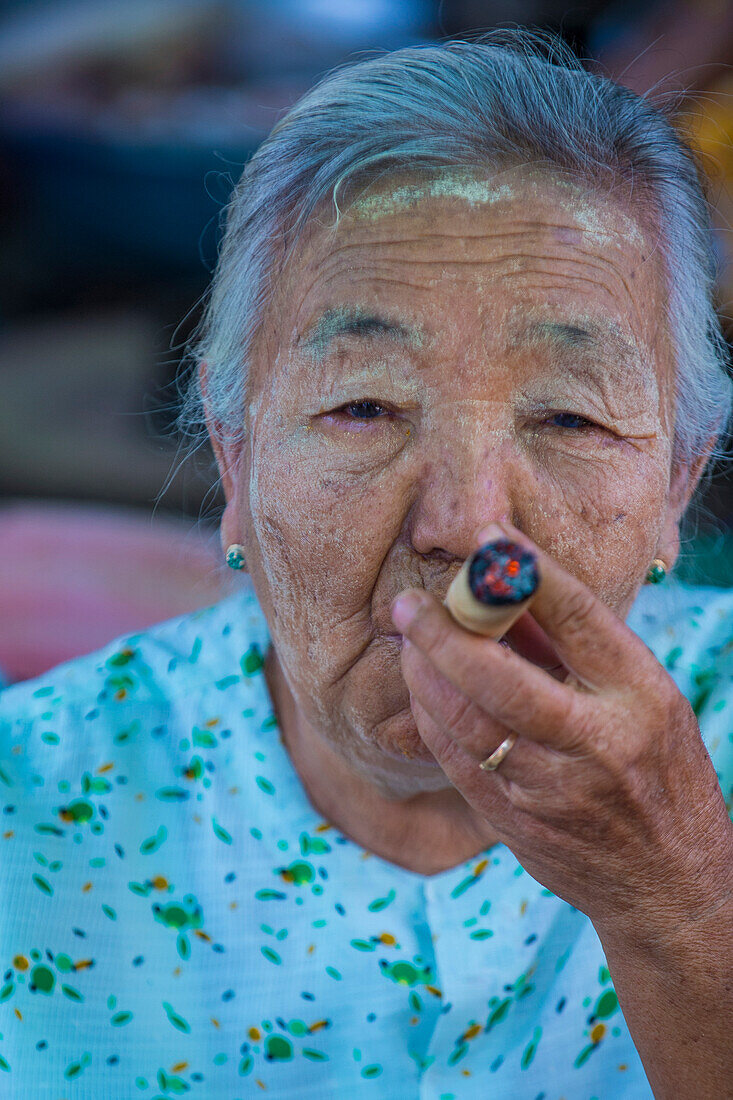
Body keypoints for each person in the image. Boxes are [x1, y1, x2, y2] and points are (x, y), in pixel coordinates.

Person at [1, 30, 732, 1099]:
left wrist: (682, 905)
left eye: (571, 417)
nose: (467, 526)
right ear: (235, 455)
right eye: (363, 406)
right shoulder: (29, 805)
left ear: (676, 483)